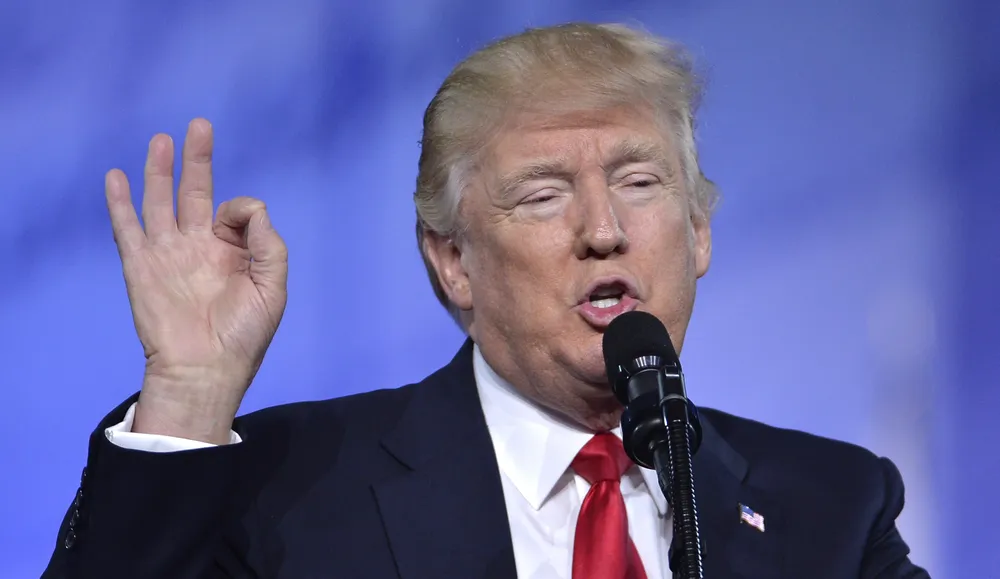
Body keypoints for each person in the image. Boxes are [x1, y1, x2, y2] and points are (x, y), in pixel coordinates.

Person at [42, 22, 929, 579]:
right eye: (543, 194)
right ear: (452, 260)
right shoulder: (285, 487)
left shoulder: (831, 507)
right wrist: (190, 393)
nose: (603, 228)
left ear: (698, 233)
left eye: (641, 180)